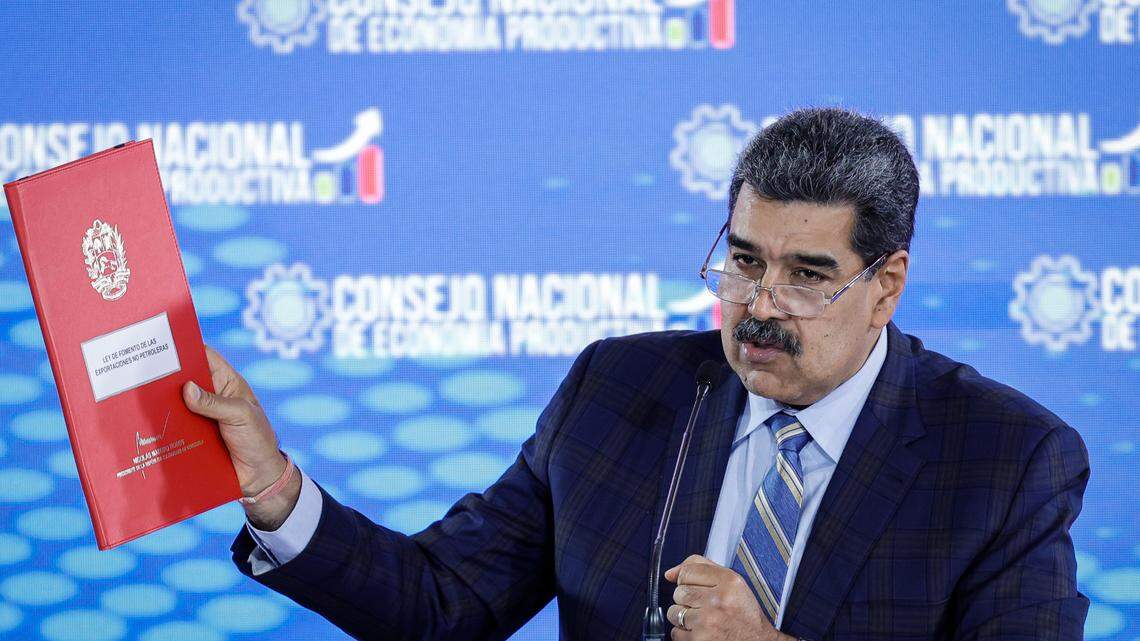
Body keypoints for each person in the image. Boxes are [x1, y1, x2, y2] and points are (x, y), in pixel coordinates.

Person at [182, 108, 1090, 640]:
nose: (761, 304)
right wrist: (274, 490)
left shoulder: (1005, 459)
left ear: (885, 282)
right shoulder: (618, 391)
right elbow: (441, 603)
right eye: (742, 261)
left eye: (807, 275)